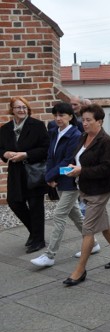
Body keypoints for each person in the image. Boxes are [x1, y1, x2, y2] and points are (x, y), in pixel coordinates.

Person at [31, 102, 97, 267]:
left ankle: (50, 255)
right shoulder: (54, 132)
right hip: (60, 179)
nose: (58, 118)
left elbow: (69, 161)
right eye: (56, 115)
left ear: (70, 116)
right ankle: (93, 243)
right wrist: (50, 175)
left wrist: (52, 175)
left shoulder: (75, 135)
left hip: (71, 181)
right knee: (75, 215)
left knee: (59, 215)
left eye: (62, 115)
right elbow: (51, 156)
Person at [63, 104, 110, 286]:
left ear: (100, 121)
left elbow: (105, 169)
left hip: (100, 191)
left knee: (88, 229)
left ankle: (80, 270)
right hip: (85, 188)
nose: (85, 123)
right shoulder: (83, 136)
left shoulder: (105, 141)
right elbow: (78, 159)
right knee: (103, 225)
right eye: (83, 119)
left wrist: (81, 170)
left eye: (89, 120)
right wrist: (73, 169)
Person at [0, 97, 50, 253]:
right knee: (14, 202)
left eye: (24, 107)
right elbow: (0, 148)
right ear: (12, 110)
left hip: (33, 170)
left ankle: (39, 240)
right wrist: (5, 153)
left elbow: (45, 148)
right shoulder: (5, 128)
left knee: (36, 206)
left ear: (27, 109)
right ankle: (34, 232)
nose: (21, 110)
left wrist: (26, 154)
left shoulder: (37, 125)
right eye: (18, 107)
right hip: (15, 172)